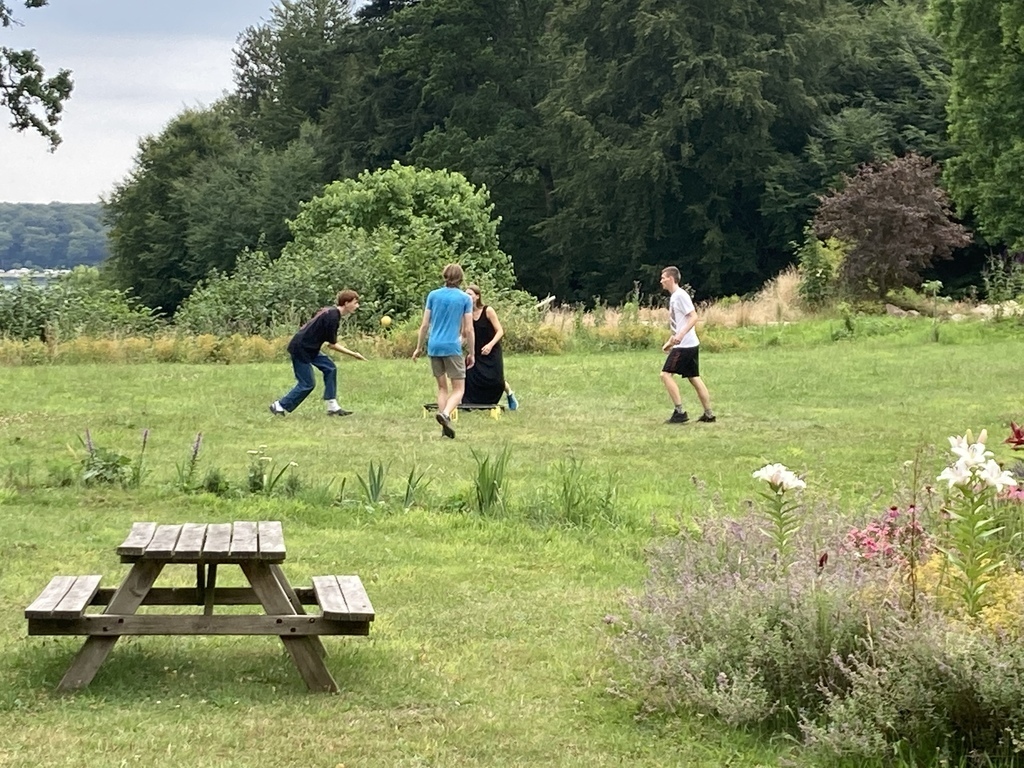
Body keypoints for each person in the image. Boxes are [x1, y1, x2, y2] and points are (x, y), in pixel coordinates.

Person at [269, 290, 367, 416]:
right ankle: (279, 405)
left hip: (311, 349)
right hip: (301, 349)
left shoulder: (331, 312)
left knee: (330, 368)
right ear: (346, 303)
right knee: (307, 384)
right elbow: (332, 345)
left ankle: (333, 407)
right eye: (355, 303)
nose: (357, 306)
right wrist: (354, 354)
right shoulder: (332, 317)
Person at [412, 264, 475, 438]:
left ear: (444, 276)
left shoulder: (433, 295)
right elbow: (469, 329)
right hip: (452, 347)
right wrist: (472, 352)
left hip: (434, 346)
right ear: (461, 278)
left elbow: (425, 324)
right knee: (459, 389)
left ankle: (444, 426)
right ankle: (446, 415)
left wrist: (418, 348)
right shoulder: (465, 299)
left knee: (442, 388)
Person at [659, 266, 715, 424]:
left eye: (663, 277)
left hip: (685, 345)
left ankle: (679, 412)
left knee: (665, 374)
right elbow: (679, 323)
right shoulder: (674, 297)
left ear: (671, 278)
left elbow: (693, 316)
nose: (661, 280)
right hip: (688, 344)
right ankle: (709, 414)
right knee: (694, 378)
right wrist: (669, 343)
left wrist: (681, 336)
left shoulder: (680, 296)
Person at [463, 284, 518, 410]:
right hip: (475, 350)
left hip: (491, 349)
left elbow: (500, 331)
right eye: (465, 294)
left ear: (477, 296)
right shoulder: (466, 314)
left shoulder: (488, 310)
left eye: (470, 294)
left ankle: (509, 393)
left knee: (495, 379)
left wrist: (490, 345)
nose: (467, 297)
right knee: (471, 376)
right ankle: (471, 403)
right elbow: (465, 334)